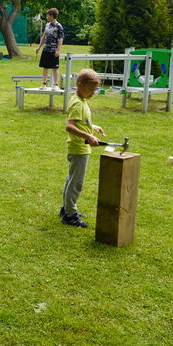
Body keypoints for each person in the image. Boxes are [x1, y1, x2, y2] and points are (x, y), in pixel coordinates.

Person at [61, 69, 104, 228]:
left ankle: (66, 209)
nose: (93, 93)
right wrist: (88, 137)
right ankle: (70, 215)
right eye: (90, 89)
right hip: (79, 148)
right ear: (80, 85)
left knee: (71, 180)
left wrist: (93, 128)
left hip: (80, 148)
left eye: (95, 90)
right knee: (76, 183)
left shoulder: (81, 100)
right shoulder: (78, 104)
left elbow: (82, 123)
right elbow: (69, 126)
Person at [34, 8, 64, 91]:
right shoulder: (47, 25)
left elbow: (61, 39)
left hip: (54, 50)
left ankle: (56, 85)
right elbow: (44, 37)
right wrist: (39, 47)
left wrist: (58, 50)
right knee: (45, 67)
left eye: (48, 15)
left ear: (52, 16)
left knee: (55, 68)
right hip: (46, 49)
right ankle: (44, 84)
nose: (47, 17)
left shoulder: (58, 26)